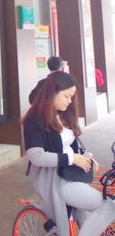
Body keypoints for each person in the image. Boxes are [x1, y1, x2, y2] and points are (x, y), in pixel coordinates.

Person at [22, 71, 115, 236]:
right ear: (52, 94)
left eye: (71, 96)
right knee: (108, 206)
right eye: (66, 96)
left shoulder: (63, 115)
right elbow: (36, 156)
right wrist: (72, 158)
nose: (70, 100)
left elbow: (70, 144)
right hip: (55, 181)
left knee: (91, 221)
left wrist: (85, 156)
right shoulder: (33, 120)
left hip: (71, 175)